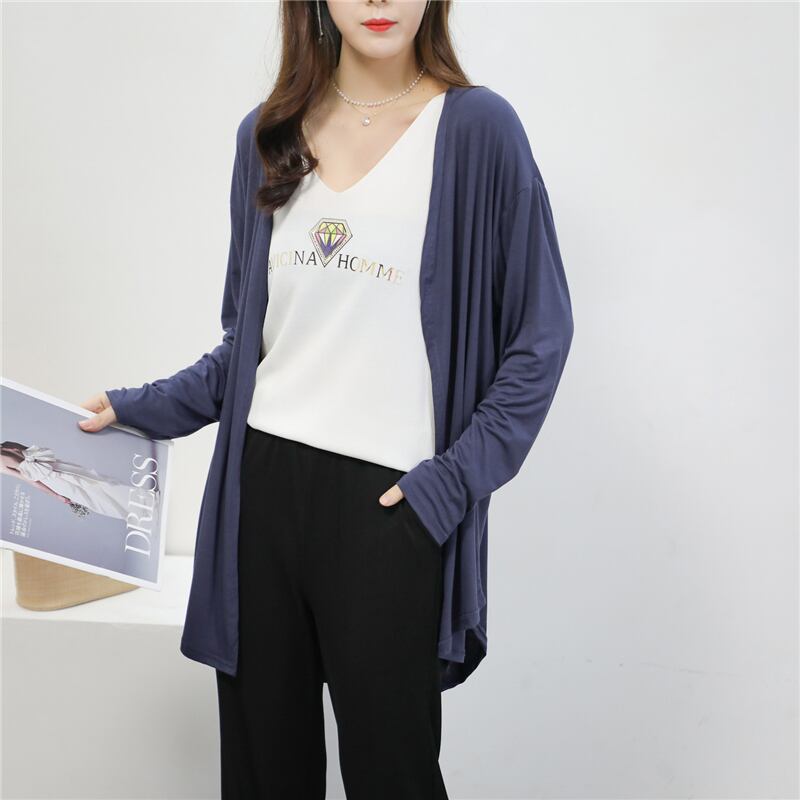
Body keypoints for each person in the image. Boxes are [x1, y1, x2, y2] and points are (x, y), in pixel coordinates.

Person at [79, 1, 575, 797]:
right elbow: (250, 346)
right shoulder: (268, 135)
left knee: (393, 773)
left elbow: (541, 336)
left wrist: (448, 486)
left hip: (390, 507)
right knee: (265, 772)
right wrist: (140, 406)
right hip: (260, 496)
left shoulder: (478, 131)